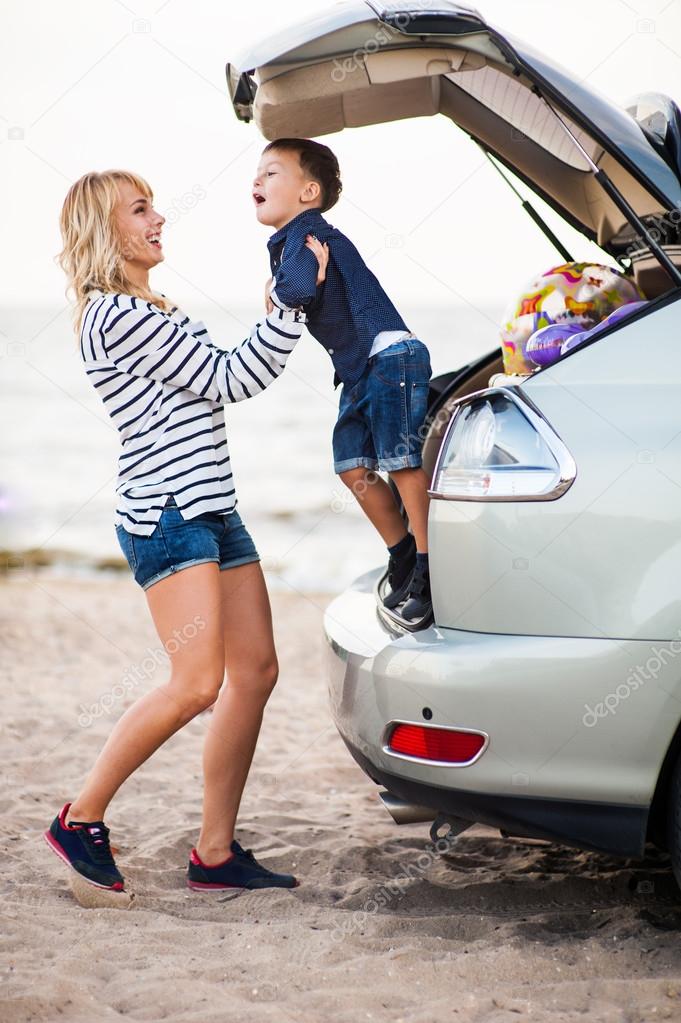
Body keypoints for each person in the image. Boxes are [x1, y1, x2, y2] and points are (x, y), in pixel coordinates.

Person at [44, 169, 328, 895]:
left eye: (153, 206)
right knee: (196, 682)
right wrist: (289, 307)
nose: (159, 218)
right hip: (168, 514)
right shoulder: (117, 315)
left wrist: (282, 312)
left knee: (256, 670)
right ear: (106, 232)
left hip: (212, 508)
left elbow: (231, 374)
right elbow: (232, 378)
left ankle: (212, 852)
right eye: (141, 211)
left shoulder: (155, 309)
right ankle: (79, 818)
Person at [253, 138, 433, 621]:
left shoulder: (307, 236)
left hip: (389, 355)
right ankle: (402, 556)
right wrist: (285, 290)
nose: (257, 181)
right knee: (352, 467)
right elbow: (296, 295)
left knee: (401, 461)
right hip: (360, 368)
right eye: (258, 173)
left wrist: (277, 290)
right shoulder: (293, 242)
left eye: (271, 173)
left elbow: (293, 293)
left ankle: (428, 570)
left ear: (308, 191)